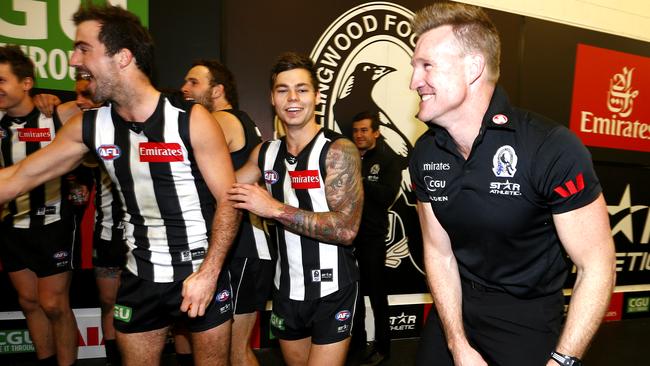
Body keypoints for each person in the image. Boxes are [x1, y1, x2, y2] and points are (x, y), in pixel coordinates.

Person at [0, 4, 240, 366]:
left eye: (84, 48)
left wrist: (209, 272)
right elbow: (19, 178)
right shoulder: (89, 126)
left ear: (123, 57)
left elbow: (230, 200)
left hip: (198, 272)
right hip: (139, 275)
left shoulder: (191, 120)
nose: (72, 61)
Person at [407, 3, 616, 366]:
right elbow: (438, 253)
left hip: (526, 317)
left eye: (427, 66)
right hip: (455, 308)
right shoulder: (425, 153)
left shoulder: (550, 147)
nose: (414, 81)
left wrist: (563, 361)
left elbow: (597, 265)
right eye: (414, 67)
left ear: (473, 68)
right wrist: (458, 344)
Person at [228, 52, 363, 366]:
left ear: (316, 96)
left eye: (302, 89)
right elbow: (226, 190)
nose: (292, 98)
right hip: (286, 289)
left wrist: (274, 208)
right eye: (282, 89)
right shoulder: (265, 154)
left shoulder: (338, 150)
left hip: (334, 288)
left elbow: (346, 229)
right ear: (272, 98)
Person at [181, 59, 274, 366]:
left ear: (217, 90)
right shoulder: (237, 119)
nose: (185, 88)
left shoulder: (221, 120)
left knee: (234, 351)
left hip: (244, 245)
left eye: (194, 82)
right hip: (238, 245)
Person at [36, 76, 126, 366]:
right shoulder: (81, 129)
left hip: (151, 236)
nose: (80, 101)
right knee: (110, 304)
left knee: (162, 311)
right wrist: (46, 102)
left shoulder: (136, 122)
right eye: (78, 96)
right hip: (109, 233)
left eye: (87, 95)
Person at [0, 45, 79, 366]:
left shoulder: (57, 114)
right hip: (11, 226)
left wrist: (52, 98)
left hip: (54, 224)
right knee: (29, 302)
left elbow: (98, 102)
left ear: (27, 83)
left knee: (53, 304)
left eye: (2, 81)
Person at [349, 111, 400, 365]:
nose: (359, 135)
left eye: (364, 130)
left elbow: (387, 196)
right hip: (348, 237)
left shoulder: (388, 159)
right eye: (356, 130)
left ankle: (383, 347)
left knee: (377, 294)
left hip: (372, 237)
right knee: (353, 293)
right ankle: (357, 343)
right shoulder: (346, 156)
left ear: (376, 132)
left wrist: (359, 181)